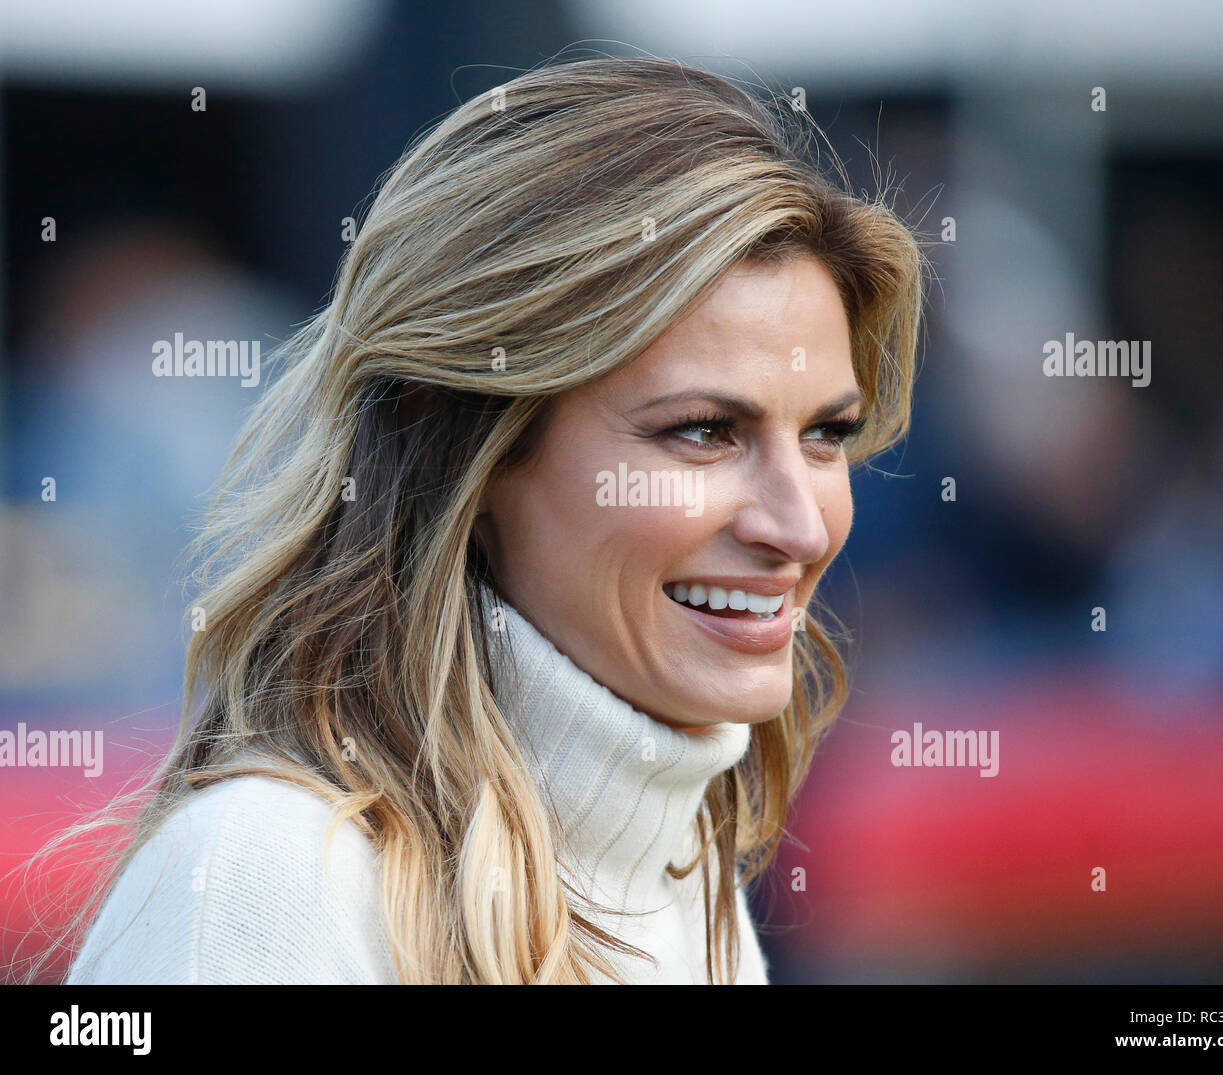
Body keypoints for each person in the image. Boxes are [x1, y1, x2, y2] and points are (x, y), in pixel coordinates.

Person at [53, 54, 923, 984]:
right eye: (705, 431)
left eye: (829, 432)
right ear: (460, 442)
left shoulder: (683, 871)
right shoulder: (262, 879)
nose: (801, 527)